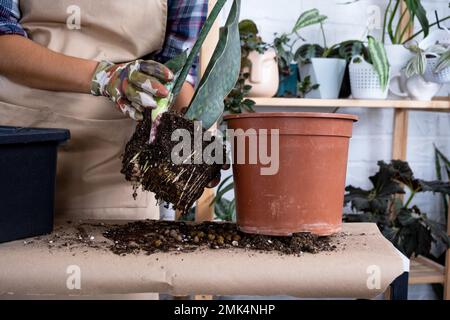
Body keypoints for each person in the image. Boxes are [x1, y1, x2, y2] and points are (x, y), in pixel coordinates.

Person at [0, 0, 208, 220]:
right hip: (18, 145)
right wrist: (103, 76)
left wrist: (192, 137)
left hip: (114, 162)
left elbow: (176, 72)